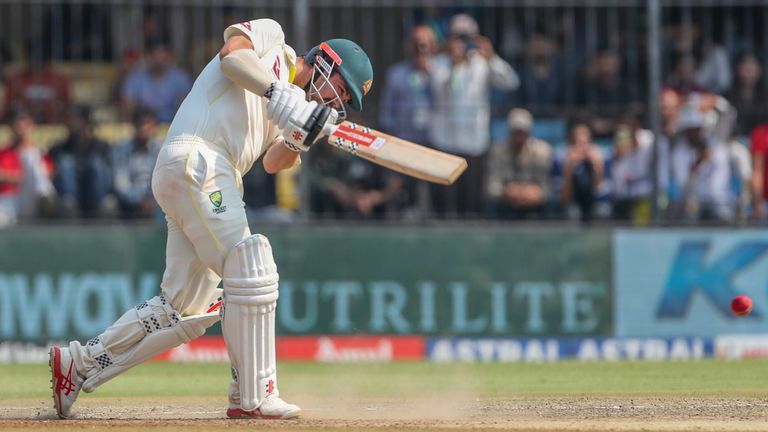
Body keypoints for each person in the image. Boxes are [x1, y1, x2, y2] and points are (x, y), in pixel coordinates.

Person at [49, 18, 373, 420]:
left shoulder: (293, 108)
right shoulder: (273, 40)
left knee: (183, 308)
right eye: (338, 88)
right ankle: (255, 395)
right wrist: (278, 94)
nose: (335, 100)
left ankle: (78, 364)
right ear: (324, 60)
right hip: (199, 157)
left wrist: (299, 135)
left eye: (343, 99)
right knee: (251, 265)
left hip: (207, 176)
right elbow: (230, 56)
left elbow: (274, 163)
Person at [428, 13, 518, 218]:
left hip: (475, 143)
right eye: (458, 36)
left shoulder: (483, 61)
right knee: (445, 203)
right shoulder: (439, 63)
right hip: (446, 142)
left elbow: (511, 82)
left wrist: (492, 57)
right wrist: (454, 64)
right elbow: (441, 92)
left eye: (467, 36)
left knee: (472, 203)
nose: (463, 41)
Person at [486, 108, 552, 219]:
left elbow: (546, 188)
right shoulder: (498, 151)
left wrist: (533, 193)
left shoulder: (542, 151)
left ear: (529, 131)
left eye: (522, 131)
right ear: (509, 131)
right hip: (505, 204)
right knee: (492, 206)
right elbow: (492, 187)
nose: (519, 135)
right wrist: (508, 192)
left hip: (535, 203)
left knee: (551, 205)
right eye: (516, 131)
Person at [48, 107, 113, 218]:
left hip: (94, 199)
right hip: (71, 202)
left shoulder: (102, 147)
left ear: (86, 122)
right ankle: (70, 208)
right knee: (65, 162)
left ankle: (99, 209)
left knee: (96, 163)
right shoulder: (59, 148)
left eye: (75, 119)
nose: (70, 123)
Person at [0, 111, 54, 227]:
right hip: (7, 200)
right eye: (17, 124)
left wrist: (13, 176)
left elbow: (48, 174)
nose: (20, 128)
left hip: (30, 198)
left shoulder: (38, 152)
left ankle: (44, 197)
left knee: (30, 156)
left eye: (24, 124)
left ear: (31, 126)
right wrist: (24, 178)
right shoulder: (3, 153)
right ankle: (43, 194)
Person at [120, 39, 193, 123]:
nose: (158, 61)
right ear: (146, 56)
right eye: (154, 56)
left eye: (163, 57)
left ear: (170, 56)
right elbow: (127, 109)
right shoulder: (134, 79)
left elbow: (189, 108)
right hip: (143, 128)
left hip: (173, 127)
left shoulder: (181, 78)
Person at [111, 109, 162, 219]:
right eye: (141, 124)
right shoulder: (122, 149)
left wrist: (152, 202)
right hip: (130, 204)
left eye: (148, 124)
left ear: (154, 126)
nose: (144, 128)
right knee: (111, 205)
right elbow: (121, 184)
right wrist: (138, 201)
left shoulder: (162, 150)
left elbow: (164, 182)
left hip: (156, 204)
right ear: (134, 126)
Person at [560, 121, 604, 222]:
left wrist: (597, 166)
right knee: (572, 213)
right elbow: (565, 198)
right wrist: (569, 167)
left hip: (594, 202)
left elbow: (600, 190)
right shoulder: (565, 158)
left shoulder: (597, 156)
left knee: (603, 211)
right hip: (573, 202)